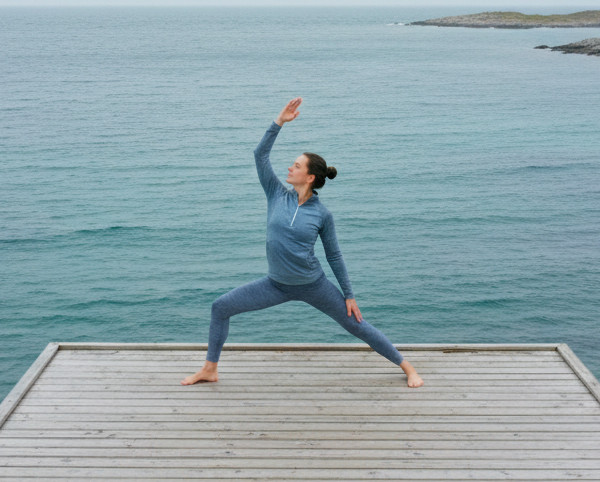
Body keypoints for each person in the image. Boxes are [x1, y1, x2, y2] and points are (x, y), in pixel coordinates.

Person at [181, 97, 423, 388]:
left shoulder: (322, 214)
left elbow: (334, 255)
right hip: (275, 284)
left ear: (309, 177)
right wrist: (278, 122)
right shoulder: (275, 193)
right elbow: (260, 155)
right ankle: (210, 369)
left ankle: (407, 366)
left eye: (295, 166)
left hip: (314, 285)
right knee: (220, 307)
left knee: (355, 325)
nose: (289, 169)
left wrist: (349, 295)